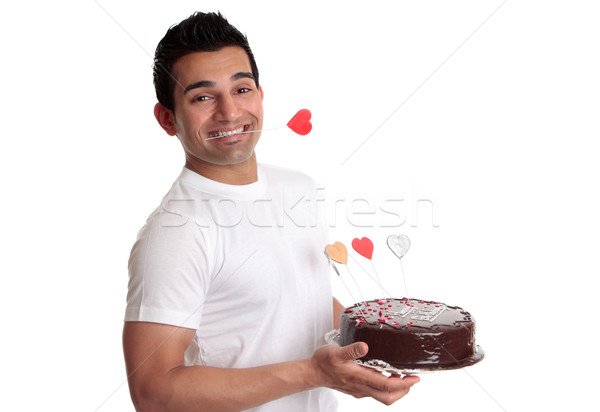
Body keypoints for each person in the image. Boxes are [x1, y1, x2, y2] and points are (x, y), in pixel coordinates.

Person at [123, 11, 419, 412]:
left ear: (260, 95)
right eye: (203, 97)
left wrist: (377, 344)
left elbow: (303, 299)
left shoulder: (297, 187)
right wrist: (315, 373)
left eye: (241, 89)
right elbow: (153, 393)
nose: (229, 113)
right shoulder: (177, 231)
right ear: (167, 119)